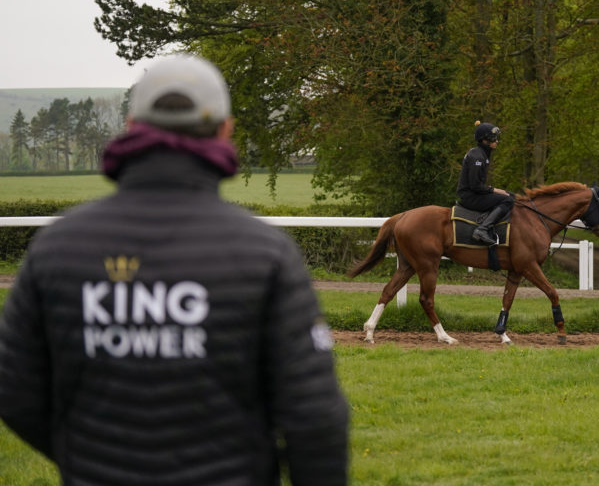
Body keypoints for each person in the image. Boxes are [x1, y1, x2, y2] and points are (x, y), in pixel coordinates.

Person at [0, 55, 349, 485]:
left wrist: (84, 457)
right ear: (225, 129)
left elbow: (14, 390)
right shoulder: (265, 253)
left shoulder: (56, 247)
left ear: (131, 127)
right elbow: (315, 417)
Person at [457, 121, 516, 245]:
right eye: (494, 139)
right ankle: (482, 229)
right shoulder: (477, 157)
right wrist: (494, 190)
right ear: (485, 140)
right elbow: (475, 186)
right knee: (508, 200)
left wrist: (495, 190)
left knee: (512, 195)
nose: (497, 141)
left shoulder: (482, 154)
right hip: (470, 197)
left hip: (475, 193)